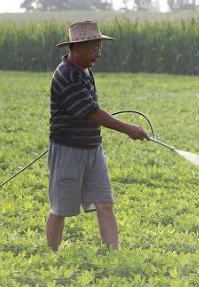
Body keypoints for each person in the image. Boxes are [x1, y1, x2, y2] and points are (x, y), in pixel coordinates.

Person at [47, 20, 149, 251]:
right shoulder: (66, 75)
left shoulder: (85, 70)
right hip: (68, 149)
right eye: (95, 48)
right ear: (79, 47)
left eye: (100, 48)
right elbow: (92, 112)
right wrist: (128, 129)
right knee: (60, 207)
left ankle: (113, 252)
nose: (99, 54)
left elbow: (91, 110)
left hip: (93, 148)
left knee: (105, 203)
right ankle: (51, 254)